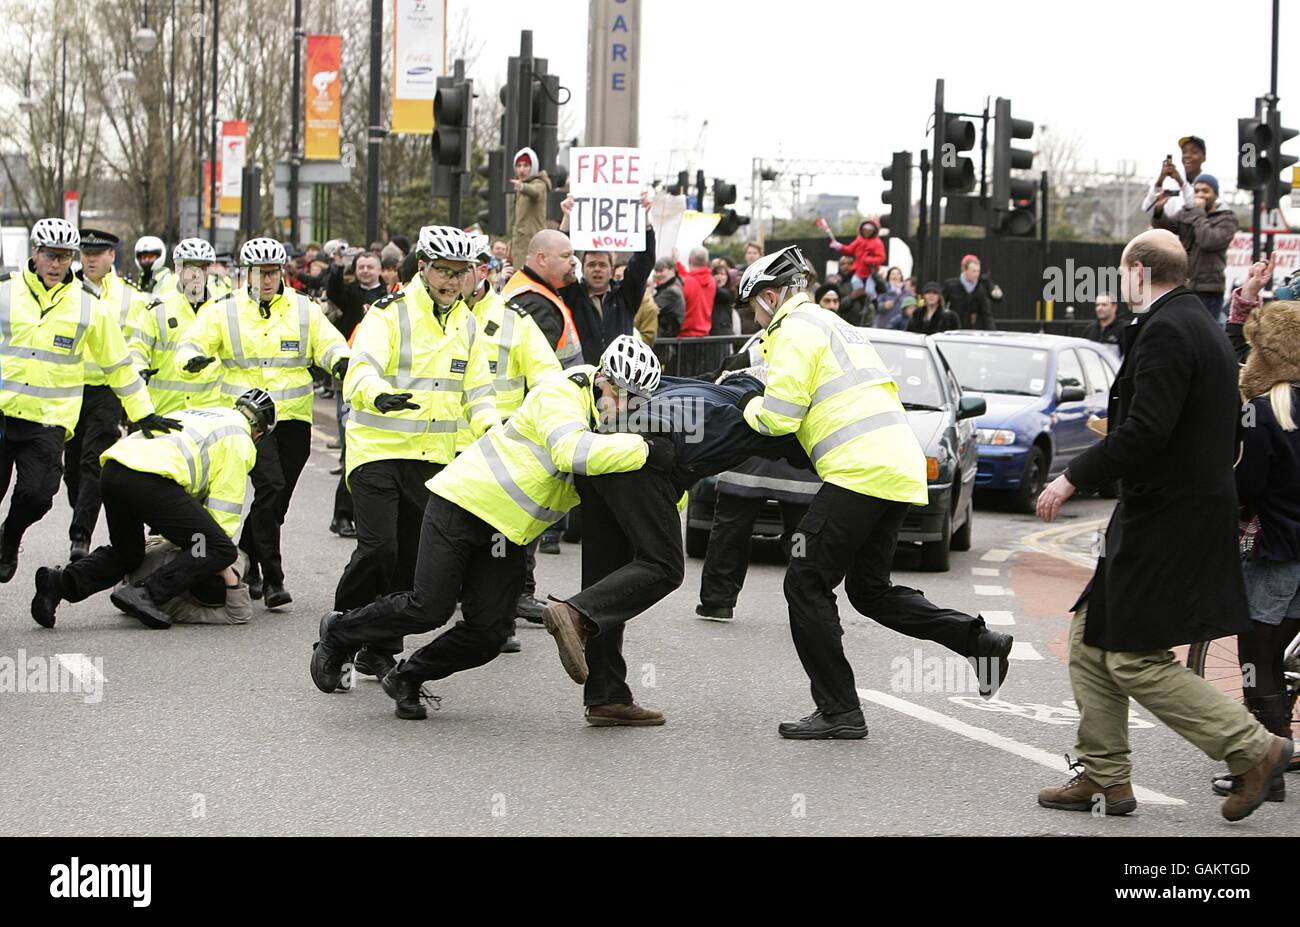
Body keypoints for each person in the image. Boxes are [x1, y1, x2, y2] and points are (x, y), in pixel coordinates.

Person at [1034, 228, 1291, 822]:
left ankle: (1254, 749)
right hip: (1165, 511)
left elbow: (1147, 429)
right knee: (1088, 636)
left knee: (1132, 657)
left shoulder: (1170, 330)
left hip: (1169, 518)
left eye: (1121, 273)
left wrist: (1071, 477)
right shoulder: (1191, 322)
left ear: (1137, 272)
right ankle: (1105, 775)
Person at [309, 339, 671, 721]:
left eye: (636, 400)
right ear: (603, 379)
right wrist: (645, 450)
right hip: (463, 505)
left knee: (490, 633)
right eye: (623, 395)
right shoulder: (562, 392)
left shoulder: (609, 423)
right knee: (430, 607)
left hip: (505, 534)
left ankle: (407, 677)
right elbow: (571, 452)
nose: (626, 406)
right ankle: (340, 631)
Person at [737, 246, 1012, 739]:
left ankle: (840, 711)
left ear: (772, 296)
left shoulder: (792, 330)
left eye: (754, 308)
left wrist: (747, 407)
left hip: (859, 470)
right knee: (870, 591)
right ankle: (978, 641)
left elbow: (779, 416)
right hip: (897, 466)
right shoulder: (830, 323)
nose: (754, 320)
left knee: (805, 581)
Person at [551, 364, 811, 723]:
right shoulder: (762, 418)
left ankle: (606, 696)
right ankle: (576, 614)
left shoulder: (702, 385)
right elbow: (808, 451)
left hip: (603, 449)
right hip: (645, 458)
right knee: (663, 567)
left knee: (607, 578)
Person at [331, 225, 497, 683]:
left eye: (460, 273)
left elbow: (479, 392)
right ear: (422, 267)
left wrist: (491, 432)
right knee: (379, 549)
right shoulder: (390, 313)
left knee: (410, 558)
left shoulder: (467, 323)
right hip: (377, 449)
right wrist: (377, 393)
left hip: (432, 457)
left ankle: (380, 648)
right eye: (442, 271)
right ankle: (339, 634)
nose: (449, 281)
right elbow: (361, 367)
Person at [177, 237, 350, 609]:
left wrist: (341, 361)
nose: (266, 279)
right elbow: (193, 341)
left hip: (294, 418)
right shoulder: (225, 309)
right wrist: (191, 358)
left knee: (279, 499)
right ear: (246, 274)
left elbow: (329, 343)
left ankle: (248, 554)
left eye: (272, 272)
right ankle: (273, 578)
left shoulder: (303, 309)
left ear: (282, 272)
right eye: (259, 273)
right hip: (248, 419)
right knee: (270, 486)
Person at [0, 219, 173, 583]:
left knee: (37, 497)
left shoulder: (86, 305)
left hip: (47, 421)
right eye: (50, 255)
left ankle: (9, 537)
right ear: (35, 252)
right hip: (3, 413)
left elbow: (118, 363)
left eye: (64, 256)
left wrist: (143, 411)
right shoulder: (6, 293)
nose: (56, 264)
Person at [30, 390, 274, 631]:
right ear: (260, 432)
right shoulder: (240, 439)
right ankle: (147, 593)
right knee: (217, 547)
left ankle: (59, 583)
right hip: (149, 480)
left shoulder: (207, 413)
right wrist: (204, 557)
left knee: (128, 553)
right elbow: (222, 516)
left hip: (115, 471)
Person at [1207, 296, 1300, 798]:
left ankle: (1264, 770)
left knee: (1256, 655)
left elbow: (1248, 487)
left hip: (1276, 552)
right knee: (1276, 654)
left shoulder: (1263, 414)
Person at [458, 236, 564, 640]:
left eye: (463, 270)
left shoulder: (513, 319)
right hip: (437, 445)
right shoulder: (427, 316)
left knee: (501, 536)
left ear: (483, 271)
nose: (453, 279)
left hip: (498, 445)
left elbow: (547, 377)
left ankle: (492, 617)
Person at [698, 367, 821, 622]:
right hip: (797, 461)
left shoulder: (758, 353)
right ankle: (809, 603)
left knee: (732, 532)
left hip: (749, 456)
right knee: (800, 540)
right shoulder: (820, 355)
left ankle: (717, 601)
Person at [63, 229, 152, 562]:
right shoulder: (66, 291)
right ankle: (82, 510)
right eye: (85, 253)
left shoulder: (130, 297)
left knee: (91, 460)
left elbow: (136, 344)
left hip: (107, 390)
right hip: (69, 388)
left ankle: (80, 534)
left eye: (98, 253)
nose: (90, 259)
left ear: (112, 256)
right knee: (71, 468)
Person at [324, 248, 390, 538]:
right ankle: (342, 515)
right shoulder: (350, 293)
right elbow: (333, 291)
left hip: (383, 378)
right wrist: (337, 267)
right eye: (360, 266)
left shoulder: (391, 296)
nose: (365, 271)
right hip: (351, 370)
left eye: (370, 266)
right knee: (352, 437)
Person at [129, 237, 225, 416]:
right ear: (178, 269)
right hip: (167, 410)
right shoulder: (158, 309)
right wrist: (139, 369)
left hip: (210, 413)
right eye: (190, 268)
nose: (196, 275)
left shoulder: (222, 309)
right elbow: (136, 347)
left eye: (202, 268)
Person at [1152, 173, 1237, 322]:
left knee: (1204, 335)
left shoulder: (1226, 219)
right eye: (1197, 191)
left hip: (1209, 289)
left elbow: (1208, 241)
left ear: (1215, 194)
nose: (1200, 195)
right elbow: (1167, 228)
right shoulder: (1188, 213)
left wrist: (1198, 214)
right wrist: (1159, 211)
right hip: (1184, 285)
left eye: (1205, 191)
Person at [1142, 135, 1207, 223]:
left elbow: (1195, 209)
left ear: (1204, 157)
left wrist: (1181, 182)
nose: (1187, 156)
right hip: (1167, 234)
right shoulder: (1169, 183)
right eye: (1184, 152)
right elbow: (1147, 209)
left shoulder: (1209, 185)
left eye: (1194, 152)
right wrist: (1159, 182)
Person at [509, 147, 552, 267]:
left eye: (526, 165)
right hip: (521, 244)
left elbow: (535, 192)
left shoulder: (539, 183)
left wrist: (523, 187)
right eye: (519, 166)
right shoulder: (522, 187)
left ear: (533, 167)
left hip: (532, 244)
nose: (522, 170)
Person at [825, 218, 885, 297]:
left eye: (870, 229)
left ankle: (872, 302)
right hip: (859, 272)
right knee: (856, 283)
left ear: (874, 230)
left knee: (870, 291)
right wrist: (840, 247)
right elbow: (850, 249)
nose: (867, 231)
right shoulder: (859, 240)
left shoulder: (877, 242)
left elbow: (881, 258)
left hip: (871, 272)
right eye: (865, 229)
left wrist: (868, 260)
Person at [942, 255, 1002, 330]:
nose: (977, 274)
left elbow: (987, 314)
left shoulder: (982, 286)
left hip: (975, 331)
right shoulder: (951, 285)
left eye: (978, 271)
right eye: (973, 271)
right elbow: (941, 303)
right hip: (956, 330)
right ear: (964, 270)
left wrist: (993, 332)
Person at [676, 247, 717, 337]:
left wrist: (677, 263)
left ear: (690, 260)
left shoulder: (687, 281)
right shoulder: (711, 281)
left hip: (685, 336)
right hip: (704, 335)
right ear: (706, 261)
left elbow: (690, 279)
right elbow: (693, 279)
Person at [617, 260, 658, 345]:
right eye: (617, 277)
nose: (621, 281)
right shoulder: (608, 302)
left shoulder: (648, 306)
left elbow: (648, 339)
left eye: (625, 277)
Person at [652, 259, 685, 339]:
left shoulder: (671, 291)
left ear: (672, 270)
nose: (658, 274)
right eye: (656, 271)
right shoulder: (674, 286)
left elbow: (651, 308)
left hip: (664, 337)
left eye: (661, 271)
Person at [710, 259, 737, 335]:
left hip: (724, 332)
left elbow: (723, 295)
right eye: (716, 274)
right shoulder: (709, 291)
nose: (719, 276)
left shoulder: (731, 292)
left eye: (723, 274)